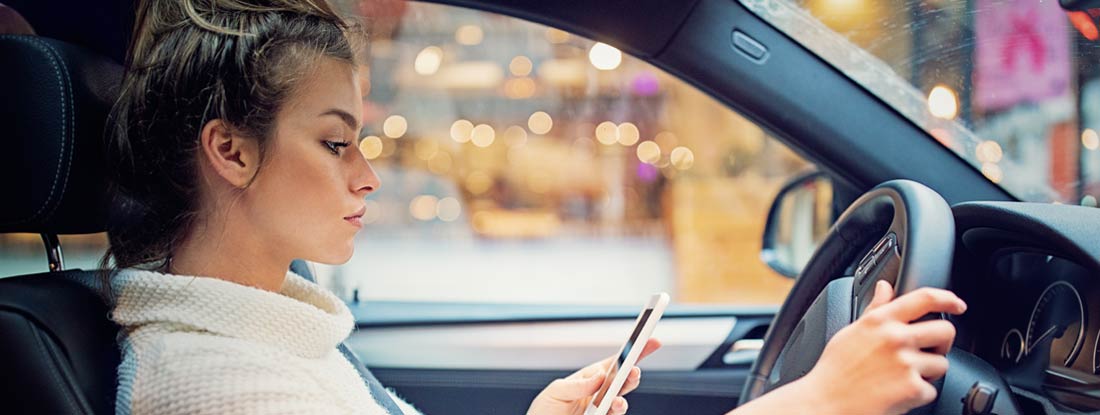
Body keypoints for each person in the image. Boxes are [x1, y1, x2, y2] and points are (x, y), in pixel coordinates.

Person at [100, 0, 967, 414]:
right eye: (335, 143)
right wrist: (818, 402)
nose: (366, 176)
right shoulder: (213, 384)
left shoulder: (263, 340)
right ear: (231, 150)